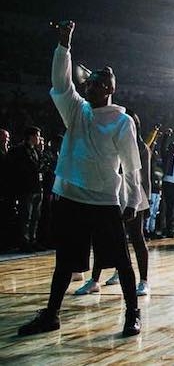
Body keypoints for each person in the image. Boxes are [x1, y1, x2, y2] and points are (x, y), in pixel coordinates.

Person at [18, 20, 143, 337]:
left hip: (103, 202)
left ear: (109, 89)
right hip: (71, 198)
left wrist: (131, 201)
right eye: (88, 83)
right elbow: (61, 84)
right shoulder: (77, 110)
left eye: (97, 84)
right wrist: (64, 45)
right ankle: (51, 315)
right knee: (64, 262)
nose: (89, 87)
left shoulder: (122, 122)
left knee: (121, 261)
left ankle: (132, 313)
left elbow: (131, 165)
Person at [75, 112, 155, 296]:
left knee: (137, 238)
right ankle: (95, 281)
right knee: (104, 237)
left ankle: (144, 281)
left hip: (134, 193)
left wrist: (148, 202)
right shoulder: (111, 142)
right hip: (113, 192)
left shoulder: (141, 148)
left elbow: (146, 178)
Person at [7, 126, 45, 251]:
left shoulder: (35, 150)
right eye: (37, 135)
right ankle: (24, 241)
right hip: (26, 188)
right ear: (31, 136)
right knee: (26, 216)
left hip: (37, 187)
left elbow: (40, 166)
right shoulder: (19, 151)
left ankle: (32, 240)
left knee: (35, 216)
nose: (39, 138)